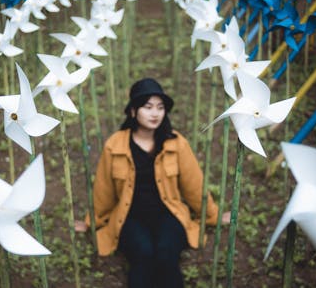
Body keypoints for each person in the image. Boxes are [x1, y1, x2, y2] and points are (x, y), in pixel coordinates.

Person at [75, 78, 229, 288]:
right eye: (148, 107)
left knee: (166, 254)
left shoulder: (177, 143)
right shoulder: (115, 144)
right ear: (133, 111)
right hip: (130, 215)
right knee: (143, 253)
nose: (155, 113)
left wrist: (213, 216)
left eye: (160, 107)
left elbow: (194, 186)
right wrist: (92, 221)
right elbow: (104, 190)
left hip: (169, 212)